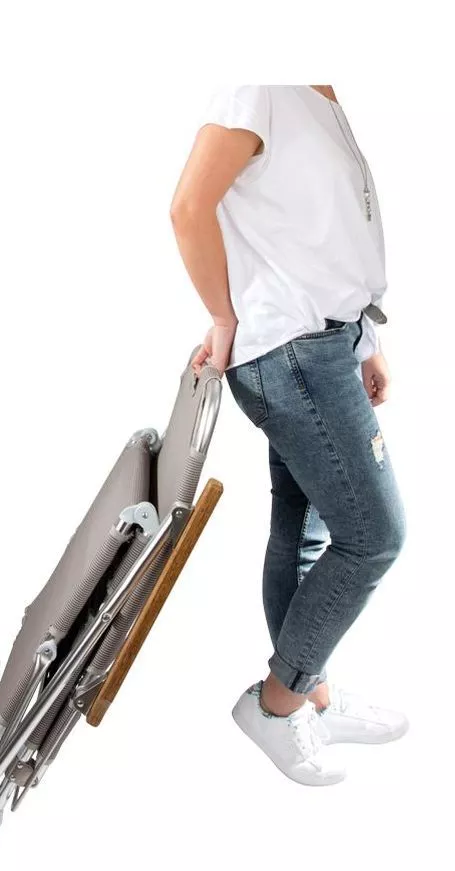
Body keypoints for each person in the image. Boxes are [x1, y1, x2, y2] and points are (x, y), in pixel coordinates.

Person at [171, 85, 408, 786]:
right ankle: (276, 704)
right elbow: (189, 208)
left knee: (304, 533)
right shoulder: (262, 84)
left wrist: (365, 338)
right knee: (374, 536)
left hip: (324, 342)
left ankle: (312, 697)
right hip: (292, 352)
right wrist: (223, 318)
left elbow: (317, 237)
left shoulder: (318, 90)